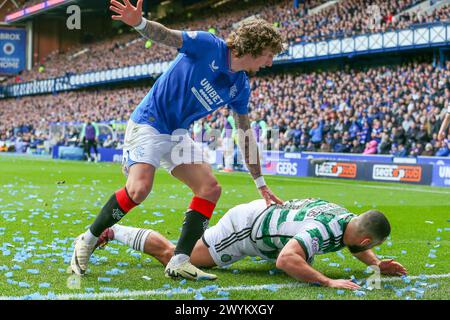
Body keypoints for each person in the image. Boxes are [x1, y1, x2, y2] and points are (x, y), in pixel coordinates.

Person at [70, 0, 284, 281]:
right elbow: (167, 36)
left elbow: (245, 134)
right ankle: (87, 239)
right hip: (150, 121)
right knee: (139, 189)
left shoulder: (241, 86)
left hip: (177, 132)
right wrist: (139, 23)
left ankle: (179, 260)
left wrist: (261, 184)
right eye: (268, 55)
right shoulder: (210, 45)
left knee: (209, 188)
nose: (269, 62)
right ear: (254, 47)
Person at [95, 198, 407, 289]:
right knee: (177, 257)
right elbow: (286, 260)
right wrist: (328, 281)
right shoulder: (322, 232)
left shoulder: (346, 218)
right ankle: (113, 231)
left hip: (260, 217)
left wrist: (377, 263)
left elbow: (357, 243)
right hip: (244, 229)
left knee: (300, 256)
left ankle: (115, 231)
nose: (366, 249)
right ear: (365, 237)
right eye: (370, 247)